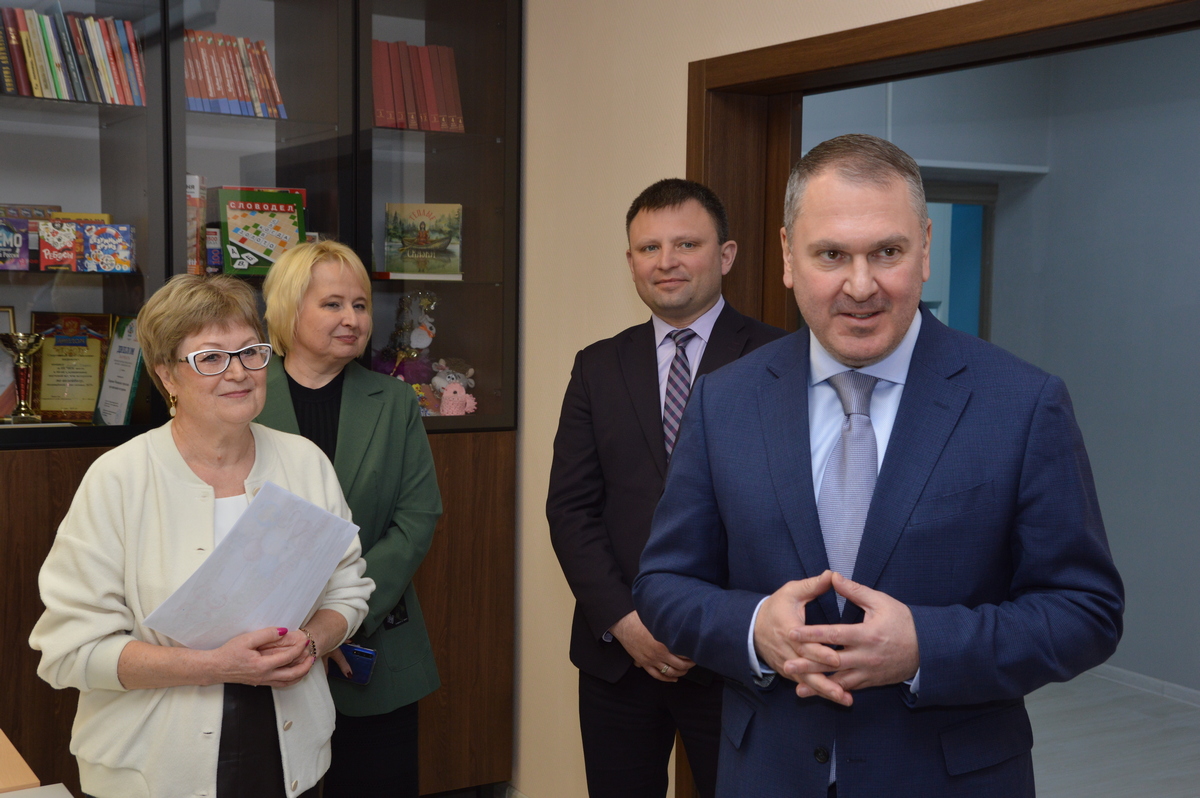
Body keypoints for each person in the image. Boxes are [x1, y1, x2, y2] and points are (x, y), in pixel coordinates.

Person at [632, 134, 1125, 798]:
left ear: (925, 250)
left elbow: (1086, 611)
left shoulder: (1022, 403)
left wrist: (927, 645)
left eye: (887, 253)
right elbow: (663, 584)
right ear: (788, 256)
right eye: (831, 254)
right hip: (769, 775)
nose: (860, 287)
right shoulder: (725, 401)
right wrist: (754, 630)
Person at [29, 274, 373, 798]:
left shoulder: (305, 463)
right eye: (210, 358)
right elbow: (70, 651)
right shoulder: (118, 479)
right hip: (152, 767)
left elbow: (348, 590)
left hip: (291, 755)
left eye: (250, 352)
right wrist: (215, 666)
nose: (238, 372)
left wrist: (312, 641)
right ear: (166, 374)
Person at [547, 178, 785, 797]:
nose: (666, 261)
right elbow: (571, 509)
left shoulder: (781, 359)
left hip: (736, 660)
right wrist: (624, 621)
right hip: (617, 658)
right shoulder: (597, 365)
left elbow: (790, 515)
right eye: (649, 248)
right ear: (630, 262)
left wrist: (711, 626)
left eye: (686, 244)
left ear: (725, 255)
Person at [258, 240, 442, 798]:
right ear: (289, 310)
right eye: (333, 304)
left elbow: (416, 520)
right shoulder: (245, 396)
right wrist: (298, 626)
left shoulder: (395, 401)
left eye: (360, 305)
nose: (352, 319)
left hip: (372, 649)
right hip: (267, 648)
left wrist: (339, 617)